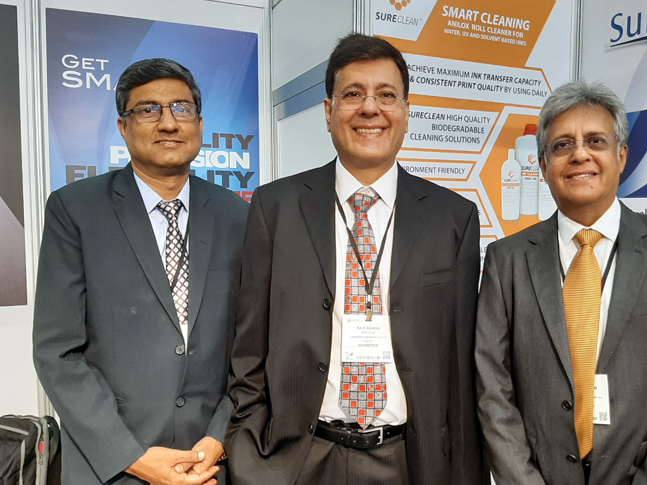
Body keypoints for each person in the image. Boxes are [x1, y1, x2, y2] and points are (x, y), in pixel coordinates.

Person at [226, 33, 482, 485]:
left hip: (410, 461)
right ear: (328, 111)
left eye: (386, 95)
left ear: (406, 112)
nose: (370, 108)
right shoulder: (275, 207)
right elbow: (248, 349)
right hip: (297, 460)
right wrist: (249, 453)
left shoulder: (453, 218)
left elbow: (461, 368)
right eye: (352, 94)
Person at [475, 80, 647, 485]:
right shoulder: (507, 260)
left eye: (596, 141)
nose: (579, 154)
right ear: (542, 166)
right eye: (562, 145)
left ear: (621, 155)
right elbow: (491, 388)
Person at [33, 58, 249, 485]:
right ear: (123, 126)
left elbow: (251, 349)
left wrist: (217, 439)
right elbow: (58, 352)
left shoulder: (237, 215)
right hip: (113, 467)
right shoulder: (75, 210)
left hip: (210, 464)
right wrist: (131, 457)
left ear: (199, 123)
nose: (168, 123)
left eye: (181, 108)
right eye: (149, 109)